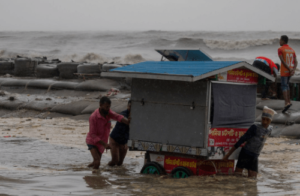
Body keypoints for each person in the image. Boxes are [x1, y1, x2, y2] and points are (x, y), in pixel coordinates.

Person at [223, 106, 277, 178]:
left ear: (271, 120)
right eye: (263, 119)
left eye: (267, 120)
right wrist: (227, 155)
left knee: (253, 179)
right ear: (261, 118)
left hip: (255, 155)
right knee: (237, 176)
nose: (264, 122)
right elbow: (241, 140)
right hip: (246, 153)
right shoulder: (255, 127)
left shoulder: (270, 129)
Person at [86, 96, 130, 170]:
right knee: (97, 162)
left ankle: (84, 170)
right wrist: (104, 144)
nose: (108, 109)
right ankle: (94, 179)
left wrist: (127, 121)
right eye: (106, 107)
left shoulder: (108, 112)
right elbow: (93, 134)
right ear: (100, 105)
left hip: (101, 141)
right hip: (92, 141)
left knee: (96, 162)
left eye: (109, 107)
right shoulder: (93, 117)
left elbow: (117, 116)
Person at [278, 35, 298, 113]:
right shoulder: (292, 50)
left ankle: (286, 103)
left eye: (280, 40)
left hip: (285, 71)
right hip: (290, 71)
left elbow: (282, 61)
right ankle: (288, 101)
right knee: (287, 85)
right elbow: (296, 61)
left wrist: (289, 69)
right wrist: (293, 69)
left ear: (283, 41)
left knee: (284, 86)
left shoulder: (280, 49)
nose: (279, 42)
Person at [108, 99, 131, 166]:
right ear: (127, 106)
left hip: (124, 142)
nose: (131, 108)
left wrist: (127, 143)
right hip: (115, 140)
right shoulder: (123, 114)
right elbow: (126, 121)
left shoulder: (137, 117)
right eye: (130, 106)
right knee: (115, 161)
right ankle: (106, 171)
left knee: (120, 163)